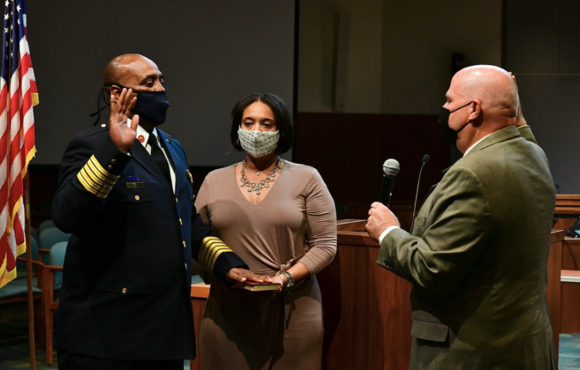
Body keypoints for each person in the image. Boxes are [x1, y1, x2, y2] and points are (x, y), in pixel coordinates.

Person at [52, 54, 247, 370]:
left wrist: (227, 266)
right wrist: (114, 152)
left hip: (164, 330)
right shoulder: (91, 144)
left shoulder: (173, 147)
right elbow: (67, 216)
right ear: (117, 94)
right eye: (148, 83)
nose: (160, 90)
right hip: (107, 333)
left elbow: (185, 221)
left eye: (161, 81)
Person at [366, 65, 556, 369]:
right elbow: (521, 131)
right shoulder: (533, 155)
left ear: (473, 110)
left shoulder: (472, 173)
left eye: (449, 101)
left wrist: (388, 231)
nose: (443, 108)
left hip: (472, 354)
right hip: (524, 346)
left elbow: (433, 268)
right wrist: (512, 102)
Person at [194, 92, 337, 370]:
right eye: (248, 123)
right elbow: (195, 243)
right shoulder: (213, 180)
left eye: (266, 124)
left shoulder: (308, 178)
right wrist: (226, 275)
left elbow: (325, 245)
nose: (256, 131)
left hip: (293, 310)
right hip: (227, 312)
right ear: (238, 128)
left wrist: (284, 279)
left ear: (281, 130)